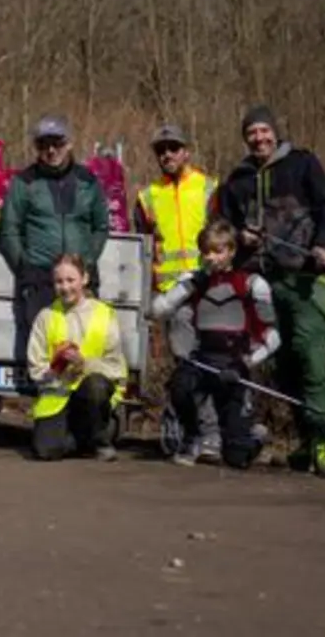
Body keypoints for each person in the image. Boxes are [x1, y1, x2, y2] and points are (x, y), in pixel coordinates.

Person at [216, 104, 325, 478]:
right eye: (251, 133)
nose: (259, 138)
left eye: (263, 131)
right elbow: (221, 227)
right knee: (283, 364)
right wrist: (239, 238)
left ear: (275, 132)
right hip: (259, 284)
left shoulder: (303, 165)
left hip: (303, 280)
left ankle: (323, 441)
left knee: (313, 359)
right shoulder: (236, 180)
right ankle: (304, 442)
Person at [150, 221, 279, 469]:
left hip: (234, 366)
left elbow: (273, 338)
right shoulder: (196, 281)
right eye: (206, 252)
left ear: (231, 251)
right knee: (180, 384)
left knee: (236, 458)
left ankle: (254, 436)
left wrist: (246, 362)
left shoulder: (253, 284)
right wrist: (183, 289)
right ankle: (192, 437)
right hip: (203, 360)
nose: (211, 258)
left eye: (218, 251)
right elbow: (158, 310)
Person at [132, 123, 221, 457]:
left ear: (186, 151)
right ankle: (201, 433)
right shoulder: (147, 197)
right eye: (161, 150)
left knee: (217, 363)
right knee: (189, 366)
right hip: (173, 296)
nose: (167, 154)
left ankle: (217, 430)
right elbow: (141, 251)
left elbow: (225, 238)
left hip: (213, 293)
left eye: (173, 148)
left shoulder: (210, 188)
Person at [0, 114, 110, 366]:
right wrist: (25, 267)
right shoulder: (24, 182)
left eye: (57, 143)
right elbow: (9, 230)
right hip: (39, 277)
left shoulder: (88, 181)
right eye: (43, 144)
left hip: (80, 278)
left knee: (85, 345)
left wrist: (87, 261)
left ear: (69, 143)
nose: (51, 150)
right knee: (44, 350)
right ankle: (48, 402)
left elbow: (101, 226)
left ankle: (82, 402)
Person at [26, 254, 128, 462]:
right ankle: (81, 440)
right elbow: (35, 369)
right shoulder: (45, 317)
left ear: (85, 279)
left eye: (70, 280)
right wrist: (56, 369)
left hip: (92, 393)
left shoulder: (104, 314)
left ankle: (101, 439)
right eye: (59, 281)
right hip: (59, 398)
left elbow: (115, 367)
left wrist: (84, 364)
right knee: (45, 451)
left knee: (96, 387)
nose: (65, 287)